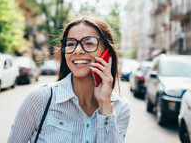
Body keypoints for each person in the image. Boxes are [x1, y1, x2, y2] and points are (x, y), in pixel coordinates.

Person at [7, 15, 130, 143]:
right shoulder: (40, 98)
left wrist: (105, 104)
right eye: (70, 43)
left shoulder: (120, 107)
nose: (77, 50)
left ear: (107, 52)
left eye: (89, 43)